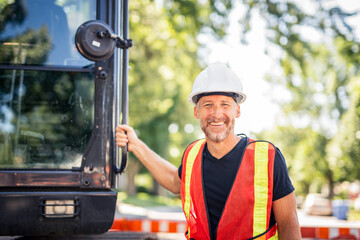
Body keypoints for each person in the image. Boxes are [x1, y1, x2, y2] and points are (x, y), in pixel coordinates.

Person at [116, 63, 301, 240]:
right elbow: (174, 181)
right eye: (208, 105)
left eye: (225, 104)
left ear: (237, 111)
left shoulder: (267, 157)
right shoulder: (192, 154)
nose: (216, 113)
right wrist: (136, 145)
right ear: (196, 112)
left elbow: (288, 224)